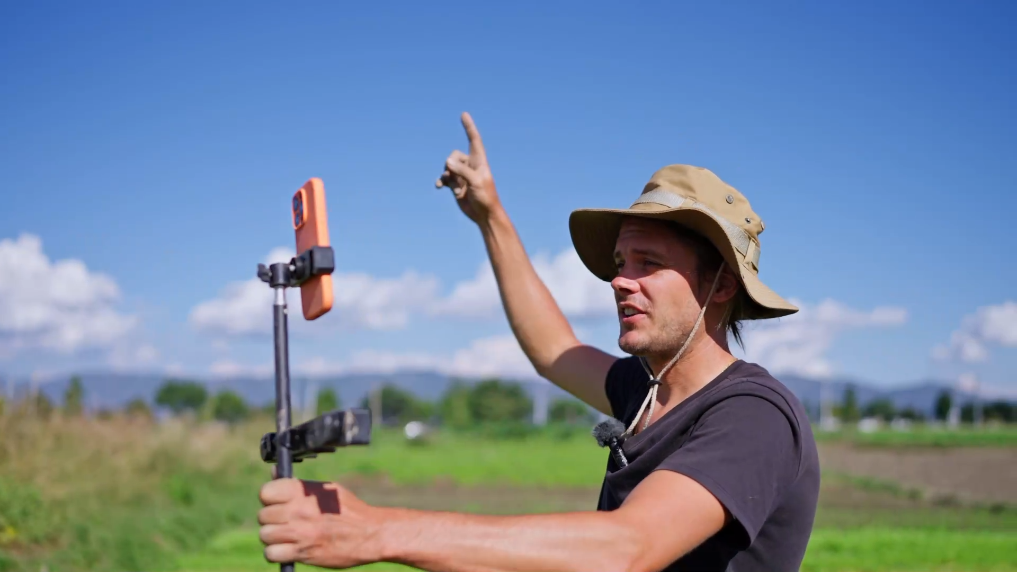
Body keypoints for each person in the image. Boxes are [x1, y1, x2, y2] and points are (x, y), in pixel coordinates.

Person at [257, 113, 820, 572]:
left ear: (721, 285)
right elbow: (553, 349)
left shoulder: (753, 415)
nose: (620, 280)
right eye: (620, 262)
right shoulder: (647, 391)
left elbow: (627, 548)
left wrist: (375, 531)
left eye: (649, 263)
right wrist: (491, 216)